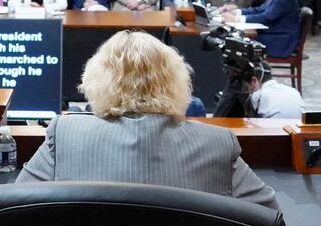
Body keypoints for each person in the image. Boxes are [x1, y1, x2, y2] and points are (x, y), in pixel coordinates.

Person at [17, 30, 278, 210]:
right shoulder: (218, 144)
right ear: (176, 80)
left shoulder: (65, 134)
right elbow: (271, 218)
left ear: (96, 81)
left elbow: (13, 208)